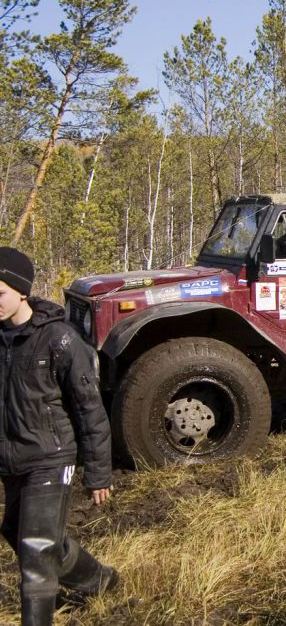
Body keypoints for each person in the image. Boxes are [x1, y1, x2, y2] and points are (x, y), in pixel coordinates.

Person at [0, 247, 118, 625]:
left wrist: (98, 472)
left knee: (36, 549)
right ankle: (98, 581)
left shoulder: (58, 339)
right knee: (24, 536)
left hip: (51, 457)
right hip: (11, 459)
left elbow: (89, 409)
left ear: (21, 291)